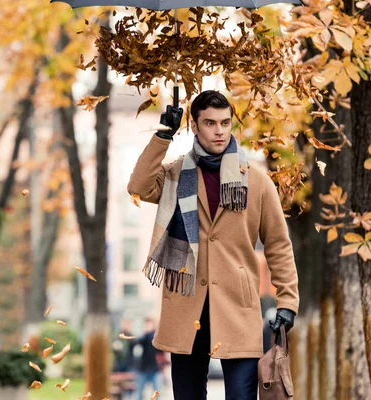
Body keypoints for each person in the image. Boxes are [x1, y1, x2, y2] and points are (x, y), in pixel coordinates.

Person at [127, 90, 300, 400]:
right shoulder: (176, 174)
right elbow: (138, 186)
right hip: (186, 304)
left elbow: (278, 245)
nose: (219, 131)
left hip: (238, 307)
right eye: (210, 123)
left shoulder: (256, 181)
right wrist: (163, 136)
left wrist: (287, 302)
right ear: (194, 126)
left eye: (225, 123)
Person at [132, 317, 161, 400]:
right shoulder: (143, 336)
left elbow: (158, 347)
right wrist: (145, 333)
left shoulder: (155, 336)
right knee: (139, 392)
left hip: (154, 368)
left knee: (157, 391)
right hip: (143, 368)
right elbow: (137, 342)